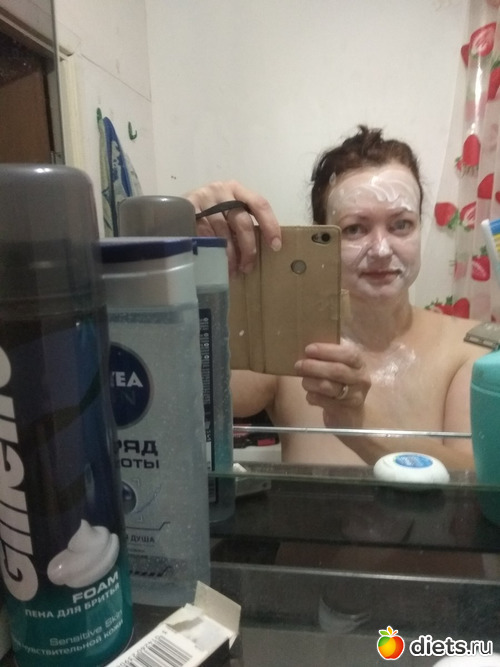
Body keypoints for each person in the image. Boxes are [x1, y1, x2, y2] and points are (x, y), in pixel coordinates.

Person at [186, 126, 487, 470]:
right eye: (355, 228)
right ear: (322, 236)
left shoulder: (470, 348)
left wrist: (360, 425)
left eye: (401, 224)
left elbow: (480, 481)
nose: (381, 250)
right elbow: (173, 398)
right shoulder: (285, 343)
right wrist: (174, 234)